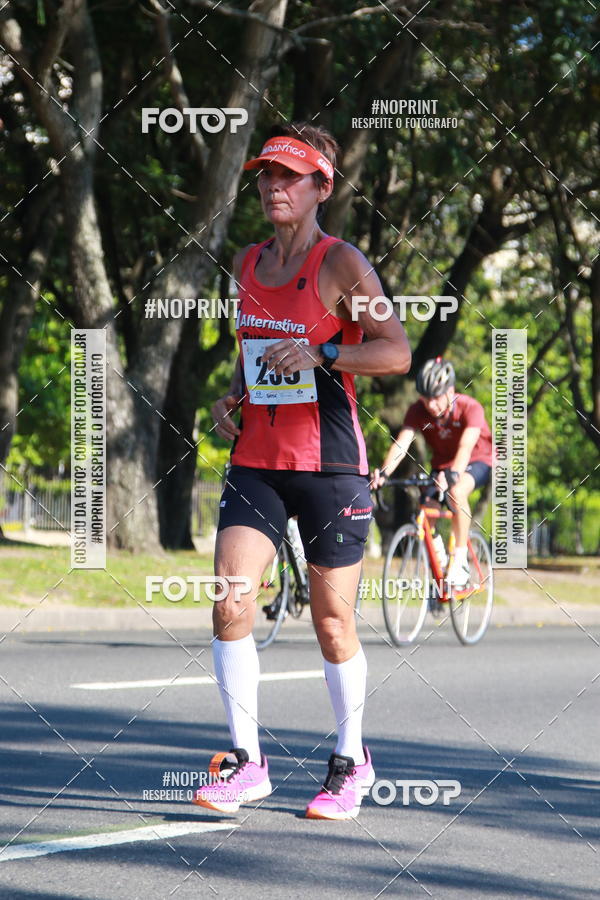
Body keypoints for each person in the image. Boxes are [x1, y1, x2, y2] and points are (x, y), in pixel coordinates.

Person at [193, 123, 411, 820]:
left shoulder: (341, 263)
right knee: (231, 601)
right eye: (265, 174)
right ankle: (247, 764)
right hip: (257, 458)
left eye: (289, 176)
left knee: (331, 625)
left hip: (331, 466)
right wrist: (232, 402)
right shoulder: (246, 265)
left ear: (322, 186)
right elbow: (251, 360)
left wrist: (324, 355)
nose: (273, 186)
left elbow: (397, 352)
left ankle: (349, 763)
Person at [372, 357, 492, 586]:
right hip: (443, 464)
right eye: (425, 398)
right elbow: (402, 443)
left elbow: (466, 447)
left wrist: (453, 475)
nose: (431, 405)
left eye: (436, 398)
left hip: (478, 459)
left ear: (450, 391)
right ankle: (439, 558)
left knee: (456, 492)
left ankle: (459, 560)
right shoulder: (418, 411)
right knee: (427, 508)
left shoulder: (470, 408)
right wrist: (384, 473)